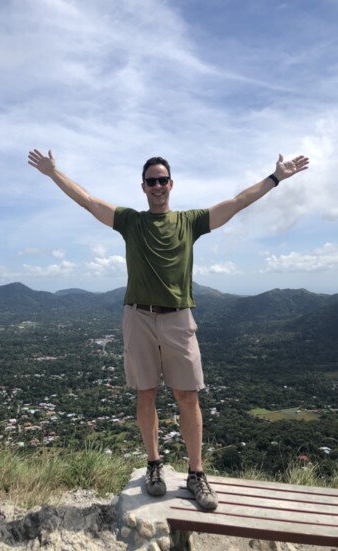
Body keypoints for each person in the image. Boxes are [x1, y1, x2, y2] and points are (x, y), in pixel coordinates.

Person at [28, 148, 309, 510]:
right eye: (151, 181)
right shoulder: (131, 221)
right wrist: (54, 172)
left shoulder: (189, 222)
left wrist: (275, 178)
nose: (158, 185)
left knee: (187, 395)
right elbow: (87, 200)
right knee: (145, 393)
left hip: (178, 316)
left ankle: (196, 474)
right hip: (138, 316)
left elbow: (238, 202)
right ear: (143, 187)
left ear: (171, 184)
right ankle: (154, 466)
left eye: (163, 180)